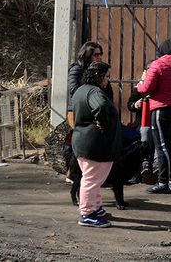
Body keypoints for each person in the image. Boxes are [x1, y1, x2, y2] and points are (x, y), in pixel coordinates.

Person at [137, 39, 171, 194]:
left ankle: (163, 182)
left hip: (161, 109)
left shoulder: (157, 65)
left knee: (161, 146)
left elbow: (146, 88)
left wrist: (139, 87)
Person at [71, 62, 122, 228]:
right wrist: (104, 124)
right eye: (106, 76)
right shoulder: (94, 91)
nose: (108, 80)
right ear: (98, 76)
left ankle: (95, 206)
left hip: (83, 142)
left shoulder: (81, 89)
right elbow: (100, 107)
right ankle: (87, 213)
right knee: (92, 179)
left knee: (93, 178)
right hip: (95, 145)